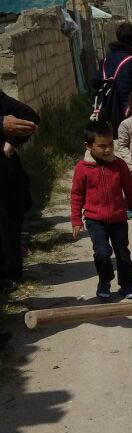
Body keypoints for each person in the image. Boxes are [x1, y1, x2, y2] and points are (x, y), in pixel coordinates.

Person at [71, 120, 132, 300]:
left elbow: (131, 190)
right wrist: (76, 220)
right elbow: (77, 195)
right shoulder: (82, 168)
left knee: (123, 253)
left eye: (111, 144)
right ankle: (105, 281)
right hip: (95, 220)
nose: (108, 150)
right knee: (102, 253)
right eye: (102, 146)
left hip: (118, 218)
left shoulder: (119, 165)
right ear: (88, 146)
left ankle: (126, 284)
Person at [0, 91, 39, 294]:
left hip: (6, 177)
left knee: (8, 226)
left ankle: (9, 276)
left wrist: (12, 142)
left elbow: (30, 117)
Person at [91, 22, 132, 134]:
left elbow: (95, 82)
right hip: (128, 117)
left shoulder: (105, 61)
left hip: (107, 116)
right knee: (131, 148)